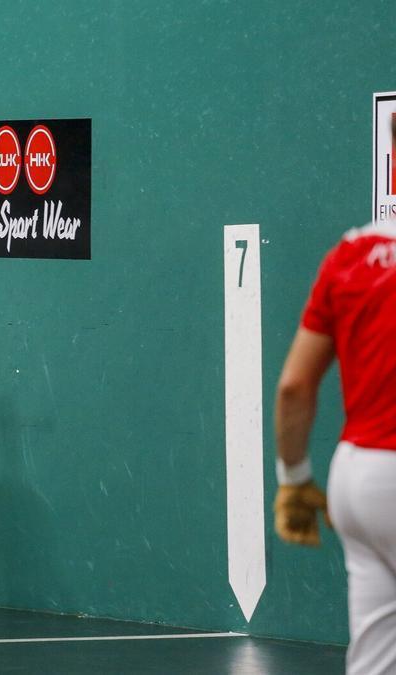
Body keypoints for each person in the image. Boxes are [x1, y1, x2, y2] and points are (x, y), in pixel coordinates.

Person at [274, 117, 396, 675]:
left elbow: (295, 387)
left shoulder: (349, 256)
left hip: (359, 483)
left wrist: (295, 481)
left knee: (375, 657)